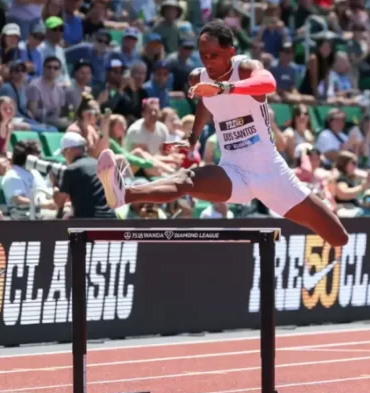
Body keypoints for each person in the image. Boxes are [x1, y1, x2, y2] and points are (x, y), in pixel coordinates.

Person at [96, 20, 349, 247]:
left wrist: (224, 88)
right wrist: (193, 137)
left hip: (271, 174)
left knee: (338, 237)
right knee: (187, 180)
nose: (208, 62)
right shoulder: (199, 78)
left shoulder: (247, 69)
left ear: (231, 52)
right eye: (203, 55)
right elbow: (207, 103)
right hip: (233, 170)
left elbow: (269, 83)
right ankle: (123, 194)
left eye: (214, 55)